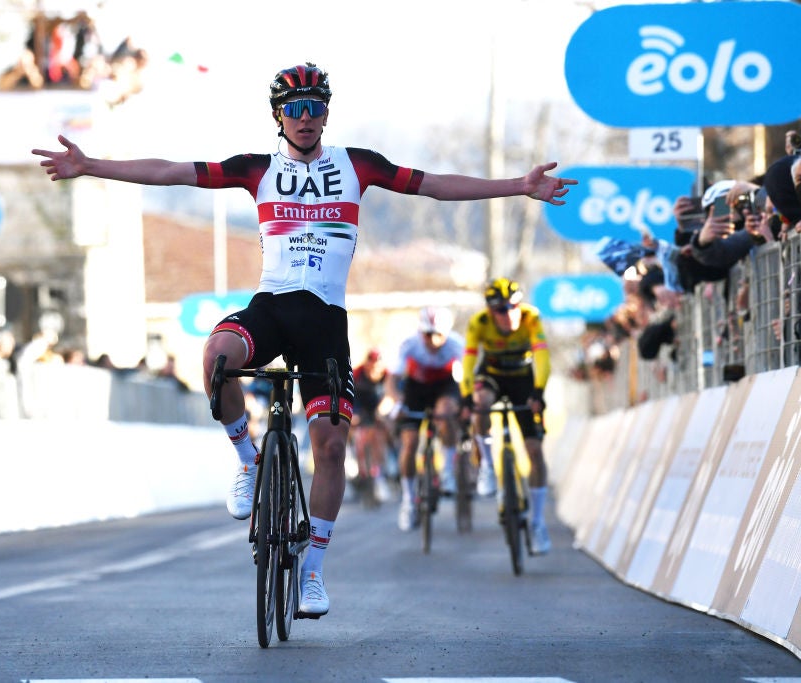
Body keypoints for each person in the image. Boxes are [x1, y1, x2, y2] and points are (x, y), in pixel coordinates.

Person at [32, 62, 575, 617]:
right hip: (271, 309)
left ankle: (312, 571)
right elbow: (171, 172)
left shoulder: (357, 165)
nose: (306, 118)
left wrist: (518, 186)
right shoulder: (256, 168)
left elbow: (434, 186)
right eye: (294, 109)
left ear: (326, 113)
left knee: (333, 448)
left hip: (326, 322)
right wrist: (92, 165)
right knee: (217, 355)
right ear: (278, 117)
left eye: (315, 107)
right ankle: (248, 460)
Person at [459, 277, 552, 554]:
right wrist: (466, 395)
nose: (508, 314)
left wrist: (539, 391)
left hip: (523, 379)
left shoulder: (531, 318)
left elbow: (543, 359)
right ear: (490, 311)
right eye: (501, 310)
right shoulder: (479, 323)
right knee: (481, 401)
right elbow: (468, 362)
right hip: (493, 377)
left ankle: (537, 522)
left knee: (535, 452)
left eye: (513, 306)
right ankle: (487, 465)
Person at [386, 307, 465, 531]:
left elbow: (468, 379)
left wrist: (467, 404)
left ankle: (447, 470)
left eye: (438, 334)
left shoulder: (456, 344)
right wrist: (397, 401)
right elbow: (392, 380)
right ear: (420, 332)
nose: (433, 340)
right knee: (409, 443)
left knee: (445, 413)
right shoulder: (410, 344)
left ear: (447, 333)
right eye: (428, 334)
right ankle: (409, 500)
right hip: (416, 389)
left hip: (444, 387)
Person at [349, 348, 391, 506]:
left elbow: (392, 394)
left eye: (377, 368)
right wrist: (353, 414)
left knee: (382, 431)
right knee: (353, 430)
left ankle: (383, 472)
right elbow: (350, 396)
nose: (375, 372)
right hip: (360, 406)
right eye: (371, 367)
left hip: (377, 408)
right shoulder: (357, 374)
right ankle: (353, 466)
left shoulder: (387, 375)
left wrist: (384, 412)